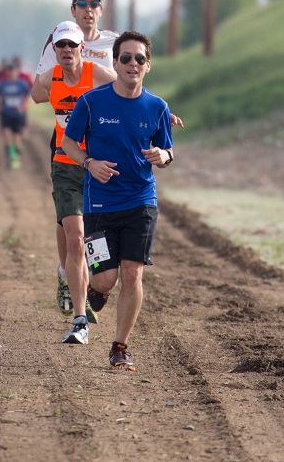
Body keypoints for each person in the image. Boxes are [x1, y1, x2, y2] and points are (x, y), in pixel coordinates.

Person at [60, 31, 174, 369]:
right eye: (126, 58)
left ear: (148, 66)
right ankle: (98, 293)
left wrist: (162, 155)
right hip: (99, 204)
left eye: (139, 59)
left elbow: (168, 150)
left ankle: (120, 347)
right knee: (105, 280)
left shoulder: (157, 107)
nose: (132, 64)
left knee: (132, 273)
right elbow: (68, 143)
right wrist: (88, 163)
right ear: (115, 62)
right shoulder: (92, 102)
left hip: (141, 201)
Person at [31, 20, 115, 339]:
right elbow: (36, 96)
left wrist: (161, 114)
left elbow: (132, 92)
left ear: (82, 48)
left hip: (97, 166)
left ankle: (78, 277)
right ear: (55, 50)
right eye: (60, 46)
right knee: (75, 237)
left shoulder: (97, 74)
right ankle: (80, 319)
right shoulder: (50, 79)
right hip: (65, 165)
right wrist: (43, 63)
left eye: (72, 45)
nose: (66, 50)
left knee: (94, 241)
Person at [0, 59, 32, 170]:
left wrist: (23, 106)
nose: (11, 72)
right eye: (9, 70)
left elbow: (27, 96)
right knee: (7, 134)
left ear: (17, 71)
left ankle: (17, 151)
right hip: (6, 113)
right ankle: (13, 157)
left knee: (19, 137)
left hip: (19, 115)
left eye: (13, 70)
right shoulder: (2, 84)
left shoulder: (22, 84)